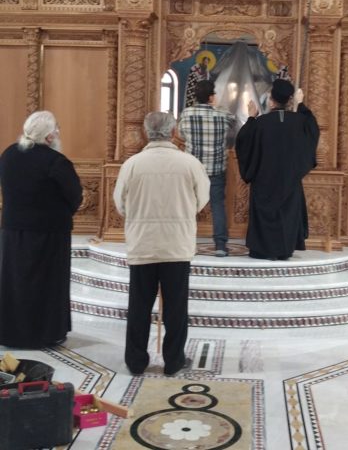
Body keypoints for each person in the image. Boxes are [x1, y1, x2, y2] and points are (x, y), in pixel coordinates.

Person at [114, 112, 210, 376]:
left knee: (139, 307)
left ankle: (136, 361)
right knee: (176, 309)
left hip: (142, 244)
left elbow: (120, 203)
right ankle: (173, 361)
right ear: (173, 132)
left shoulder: (132, 164)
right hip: (176, 245)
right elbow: (201, 200)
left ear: (146, 132)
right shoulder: (189, 163)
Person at [0, 110, 82, 348]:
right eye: (56, 129)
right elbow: (75, 195)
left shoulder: (9, 154)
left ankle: (11, 332)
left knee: (15, 281)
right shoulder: (55, 161)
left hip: (14, 230)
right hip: (50, 233)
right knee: (47, 283)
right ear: (49, 137)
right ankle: (45, 333)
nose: (58, 133)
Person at [235, 79, 319, 260]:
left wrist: (251, 117)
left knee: (265, 215)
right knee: (287, 214)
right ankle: (284, 250)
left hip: (264, 181)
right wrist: (301, 105)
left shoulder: (260, 123)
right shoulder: (300, 121)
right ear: (289, 100)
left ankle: (262, 250)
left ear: (271, 101)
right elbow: (313, 129)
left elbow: (243, 141)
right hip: (289, 181)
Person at [179, 80, 235, 257]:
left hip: (192, 169)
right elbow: (234, 124)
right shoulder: (222, 114)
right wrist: (216, 106)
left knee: (188, 205)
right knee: (217, 205)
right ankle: (220, 245)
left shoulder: (187, 113)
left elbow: (180, 134)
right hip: (216, 169)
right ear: (211, 97)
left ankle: (187, 243)